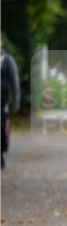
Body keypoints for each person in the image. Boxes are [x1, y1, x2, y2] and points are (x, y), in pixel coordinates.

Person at [1, 38, 20, 169]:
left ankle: (1, 152)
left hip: (2, 101)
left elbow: (14, 82)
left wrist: (15, 102)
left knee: (2, 128)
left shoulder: (7, 60)